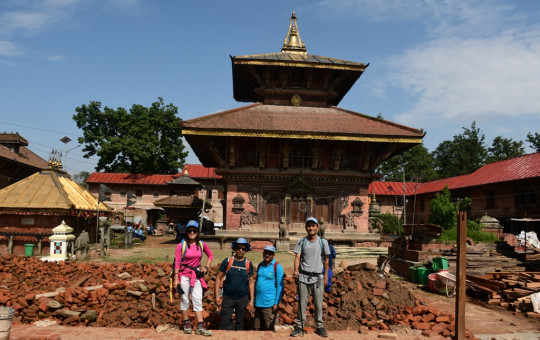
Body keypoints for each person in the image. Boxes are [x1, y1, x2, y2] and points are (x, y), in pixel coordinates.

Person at [290, 217, 330, 338]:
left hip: (318, 277)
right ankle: (299, 326)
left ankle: (319, 326)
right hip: (303, 276)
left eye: (313, 226)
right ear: (306, 228)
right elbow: (297, 257)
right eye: (309, 226)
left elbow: (327, 260)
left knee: (318, 303)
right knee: (302, 303)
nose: (311, 228)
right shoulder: (302, 242)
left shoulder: (323, 242)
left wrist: (326, 276)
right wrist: (296, 270)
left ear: (317, 227)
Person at [173, 220, 214, 336]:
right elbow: (177, 262)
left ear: (197, 232)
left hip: (196, 276)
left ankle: (200, 325)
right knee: (185, 299)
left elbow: (210, 255)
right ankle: (186, 323)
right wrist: (176, 279)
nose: (192, 232)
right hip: (184, 275)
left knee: (197, 299)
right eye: (189, 230)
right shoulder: (181, 245)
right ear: (186, 232)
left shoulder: (201, 244)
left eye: (194, 230)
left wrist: (206, 266)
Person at [214, 238, 254, 331]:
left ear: (246, 250)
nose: (240, 250)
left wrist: (251, 300)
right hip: (228, 298)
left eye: (243, 249)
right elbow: (218, 278)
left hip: (242, 299)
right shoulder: (228, 261)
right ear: (235, 249)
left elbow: (251, 283)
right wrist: (217, 296)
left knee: (240, 324)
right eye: (238, 248)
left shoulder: (248, 264)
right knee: (224, 322)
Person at [254, 245, 284, 331]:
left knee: (269, 329)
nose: (267, 255)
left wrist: (276, 302)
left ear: (273, 255)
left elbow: (280, 286)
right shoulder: (260, 265)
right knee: (257, 328)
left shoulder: (277, 267)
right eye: (265, 253)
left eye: (270, 254)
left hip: (269, 304)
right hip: (258, 303)